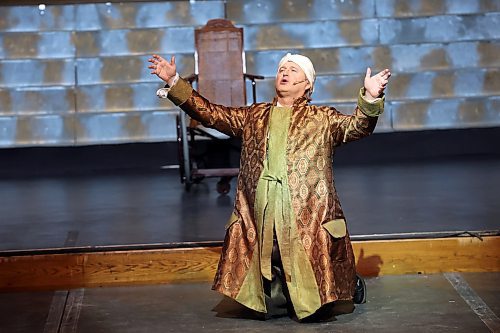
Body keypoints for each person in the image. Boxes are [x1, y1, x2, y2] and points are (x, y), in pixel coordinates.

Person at [148, 53, 391, 321]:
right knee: (271, 279)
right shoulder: (255, 115)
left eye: (293, 70)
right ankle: (278, 290)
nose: (284, 73)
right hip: (262, 210)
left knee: (314, 298)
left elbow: (358, 127)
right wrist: (174, 80)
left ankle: (348, 285)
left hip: (305, 215)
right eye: (281, 69)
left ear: (307, 84)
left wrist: (370, 97)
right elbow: (211, 114)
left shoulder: (322, 119)